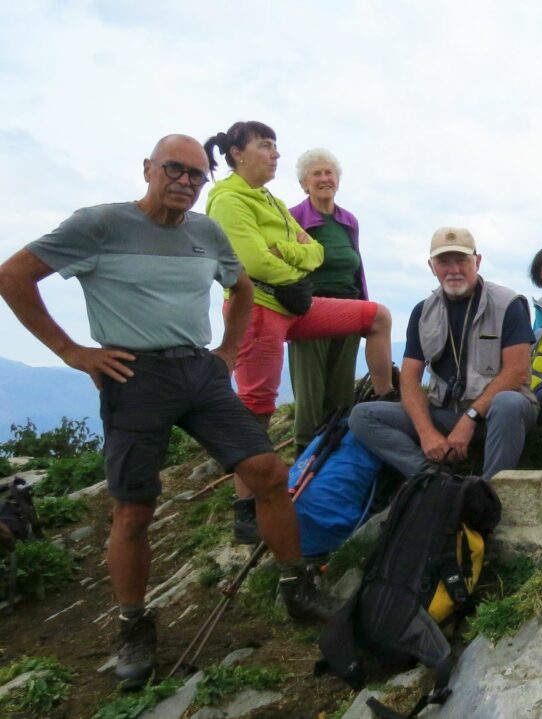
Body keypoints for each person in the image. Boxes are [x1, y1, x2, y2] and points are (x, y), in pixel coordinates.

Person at [0, 135, 336, 689]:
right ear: (148, 170)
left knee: (268, 472)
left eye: (195, 175)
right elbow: (14, 276)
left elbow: (243, 287)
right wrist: (71, 352)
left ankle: (295, 587)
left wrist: (227, 352)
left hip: (199, 371)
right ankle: (133, 625)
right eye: (173, 170)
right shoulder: (99, 225)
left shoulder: (205, 232)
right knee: (133, 511)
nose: (184, 181)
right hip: (134, 376)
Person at [203, 121, 394, 543]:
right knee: (256, 405)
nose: (274, 154)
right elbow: (252, 260)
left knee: (376, 316)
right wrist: (292, 263)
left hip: (295, 305)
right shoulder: (228, 199)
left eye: (275, 146)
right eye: (266, 146)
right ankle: (245, 508)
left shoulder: (265, 199)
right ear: (238, 153)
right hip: (256, 309)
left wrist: (289, 257)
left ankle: (388, 402)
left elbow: (315, 251)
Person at [349, 227, 537, 481]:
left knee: (509, 403)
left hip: (497, 414)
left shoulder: (508, 304)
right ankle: (432, 479)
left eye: (461, 260)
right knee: (362, 416)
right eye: (443, 262)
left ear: (477, 261)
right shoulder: (422, 311)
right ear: (431, 266)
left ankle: (491, 491)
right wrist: (427, 432)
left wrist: (470, 417)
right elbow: (409, 378)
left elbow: (516, 371)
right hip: (446, 411)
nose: (454, 269)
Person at [287, 148, 371, 448]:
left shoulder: (348, 220)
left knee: (341, 394)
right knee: (310, 398)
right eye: (316, 174)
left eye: (329, 173)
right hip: (310, 310)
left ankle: (336, 458)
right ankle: (303, 459)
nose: (324, 178)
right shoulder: (293, 218)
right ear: (304, 183)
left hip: (348, 309)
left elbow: (356, 266)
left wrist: (364, 310)